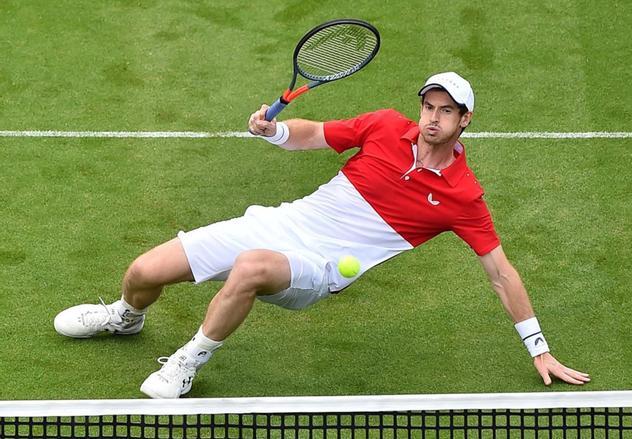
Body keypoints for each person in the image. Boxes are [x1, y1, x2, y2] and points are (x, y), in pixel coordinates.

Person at [54, 72, 590, 398]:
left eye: (445, 111)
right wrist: (276, 130)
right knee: (144, 272)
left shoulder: (463, 196)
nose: (432, 118)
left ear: (464, 120)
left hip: (322, 267)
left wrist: (538, 347)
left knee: (251, 268)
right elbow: (316, 135)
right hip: (281, 221)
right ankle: (126, 318)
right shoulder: (383, 125)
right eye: (428, 106)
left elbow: (500, 272)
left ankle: (189, 360)